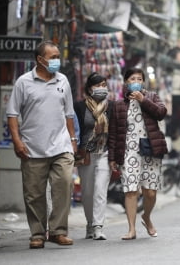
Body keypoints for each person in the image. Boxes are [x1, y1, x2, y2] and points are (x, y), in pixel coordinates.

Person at [6, 40, 76, 249]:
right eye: (53, 57)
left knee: (64, 184)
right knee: (34, 194)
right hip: (32, 148)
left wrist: (73, 141)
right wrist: (17, 141)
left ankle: (58, 231)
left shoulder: (63, 81)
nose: (57, 61)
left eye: (57, 56)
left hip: (61, 146)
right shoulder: (23, 82)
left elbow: (69, 113)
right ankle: (37, 233)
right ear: (40, 59)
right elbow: (12, 114)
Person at [108, 67, 168, 240]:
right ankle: (131, 229)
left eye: (139, 79)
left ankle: (146, 217)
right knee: (131, 190)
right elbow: (113, 133)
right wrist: (113, 157)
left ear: (143, 82)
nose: (136, 82)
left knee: (150, 192)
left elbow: (161, 113)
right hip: (128, 152)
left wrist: (143, 100)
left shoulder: (152, 97)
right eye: (132, 79)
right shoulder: (118, 105)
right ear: (126, 82)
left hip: (150, 149)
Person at [74, 72, 113, 240]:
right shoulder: (80, 107)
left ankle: (98, 226)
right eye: (97, 85)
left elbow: (116, 131)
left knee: (99, 189)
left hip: (104, 152)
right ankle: (90, 223)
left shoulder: (111, 106)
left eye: (104, 85)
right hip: (86, 154)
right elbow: (76, 129)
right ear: (89, 88)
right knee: (87, 192)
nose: (101, 88)